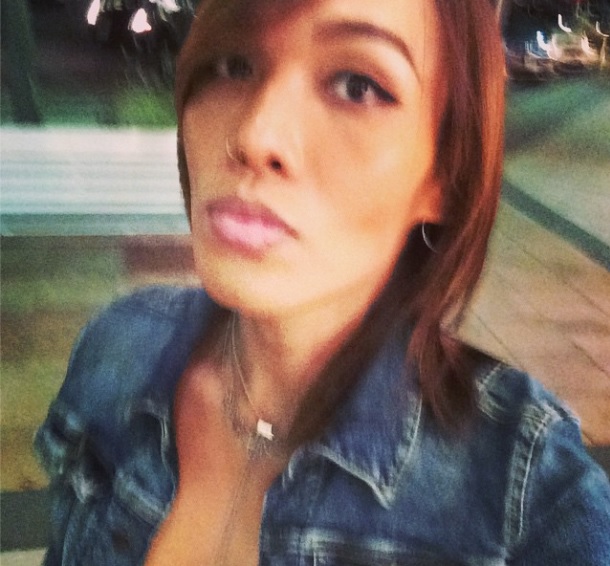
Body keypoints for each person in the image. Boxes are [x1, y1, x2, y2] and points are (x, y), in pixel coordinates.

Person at [35, 0, 610, 564]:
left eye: (358, 86)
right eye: (234, 65)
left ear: (443, 176)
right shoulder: (118, 351)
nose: (256, 135)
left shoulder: (525, 496)